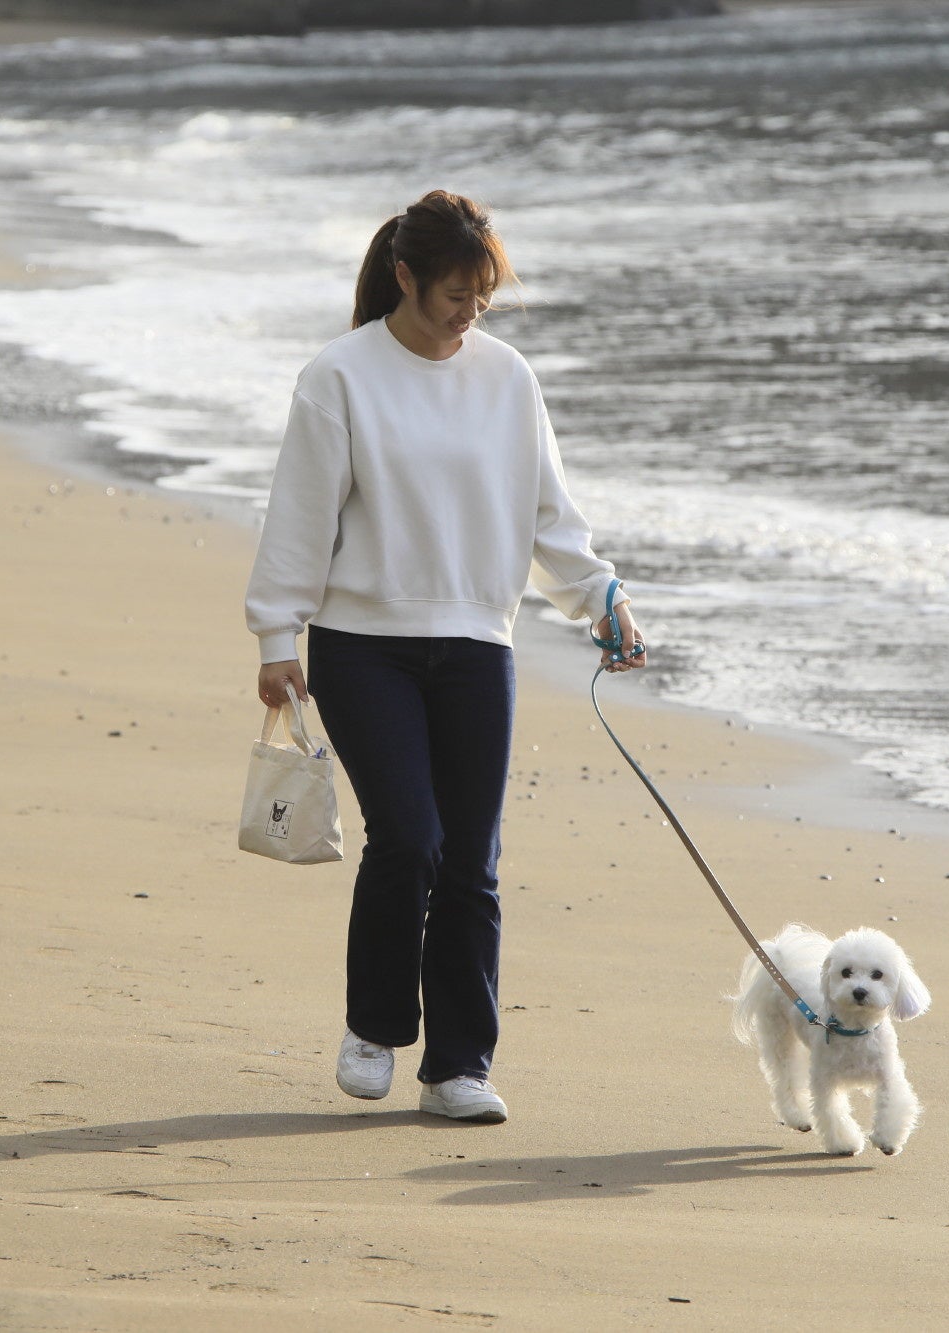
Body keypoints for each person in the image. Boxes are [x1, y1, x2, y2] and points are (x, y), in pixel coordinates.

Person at [243, 189, 646, 1124]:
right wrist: (277, 635)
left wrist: (603, 599)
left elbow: (550, 511)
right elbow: (299, 514)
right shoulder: (339, 376)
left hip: (475, 642)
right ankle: (375, 1027)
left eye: (483, 295)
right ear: (406, 277)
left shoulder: (508, 379)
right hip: (361, 646)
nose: (469, 311)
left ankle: (461, 1063)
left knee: (472, 857)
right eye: (454, 293)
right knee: (409, 838)